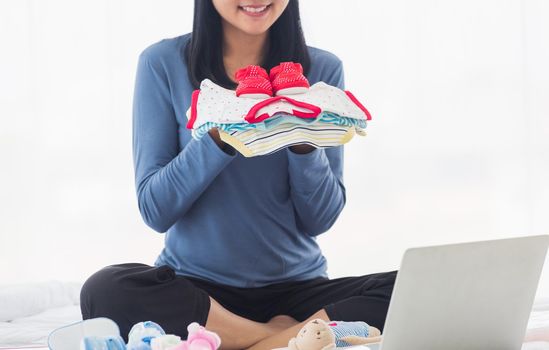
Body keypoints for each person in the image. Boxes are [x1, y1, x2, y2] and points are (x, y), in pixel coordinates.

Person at [80, 1, 397, 349]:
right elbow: (156, 210)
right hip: (201, 294)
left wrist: (302, 138)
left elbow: (320, 218)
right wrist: (223, 133)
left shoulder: (322, 69)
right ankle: (283, 339)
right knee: (106, 289)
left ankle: (239, 340)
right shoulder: (162, 62)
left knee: (409, 287)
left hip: (299, 291)